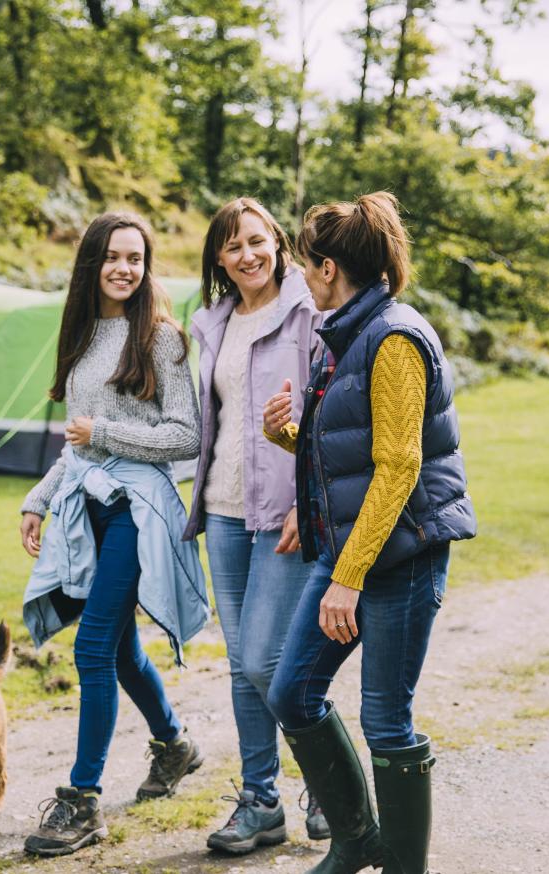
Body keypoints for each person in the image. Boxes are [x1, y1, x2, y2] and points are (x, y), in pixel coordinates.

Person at [262, 193, 476, 874]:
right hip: (350, 549)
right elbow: (347, 451)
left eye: (303, 266)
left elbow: (399, 468)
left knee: (386, 720)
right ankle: (356, 841)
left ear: (328, 268)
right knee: (293, 692)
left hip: (403, 558)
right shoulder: (346, 334)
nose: (298, 279)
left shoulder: (394, 338)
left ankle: (404, 866)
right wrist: (288, 435)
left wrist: (347, 579)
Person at [18, 212, 208, 857]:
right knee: (121, 649)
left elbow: (186, 436)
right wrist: (39, 499)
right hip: (87, 505)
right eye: (113, 257)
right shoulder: (79, 337)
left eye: (137, 257)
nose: (125, 268)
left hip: (139, 508)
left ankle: (82, 801)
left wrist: (105, 433)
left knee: (94, 648)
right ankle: (175, 745)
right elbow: (76, 446)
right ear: (91, 263)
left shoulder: (161, 338)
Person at [183, 197, 329, 854]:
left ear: (277, 242)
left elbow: (328, 414)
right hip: (222, 510)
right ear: (219, 257)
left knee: (273, 662)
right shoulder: (212, 323)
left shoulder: (309, 313)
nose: (247, 255)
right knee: (243, 666)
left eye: (257, 241)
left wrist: (309, 497)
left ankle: (330, 785)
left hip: (284, 515)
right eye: (233, 246)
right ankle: (261, 801)